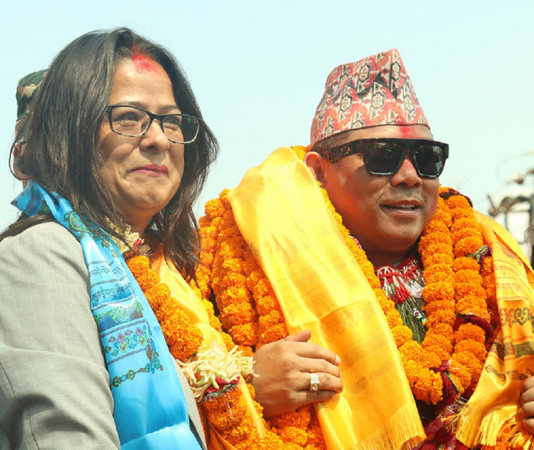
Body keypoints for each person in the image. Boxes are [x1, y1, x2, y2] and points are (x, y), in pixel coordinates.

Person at [192, 49, 534, 448]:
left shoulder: (487, 257)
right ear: (318, 171)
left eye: (427, 158)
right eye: (383, 156)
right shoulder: (243, 262)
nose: (409, 176)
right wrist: (245, 385)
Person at [0, 28, 218, 448]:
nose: (158, 139)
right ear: (68, 133)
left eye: (172, 121)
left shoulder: (170, 269)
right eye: (128, 117)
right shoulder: (40, 256)